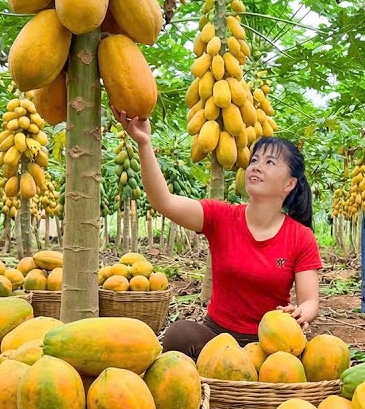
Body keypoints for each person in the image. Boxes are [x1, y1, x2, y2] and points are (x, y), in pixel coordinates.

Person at [117, 111, 323, 359]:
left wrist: (302, 313)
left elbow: (310, 300)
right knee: (179, 334)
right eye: (255, 160)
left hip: (269, 343)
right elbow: (165, 202)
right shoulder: (221, 217)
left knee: (303, 359)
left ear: (289, 184)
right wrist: (144, 143)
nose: (256, 166)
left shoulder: (300, 236)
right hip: (218, 338)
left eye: (270, 163)